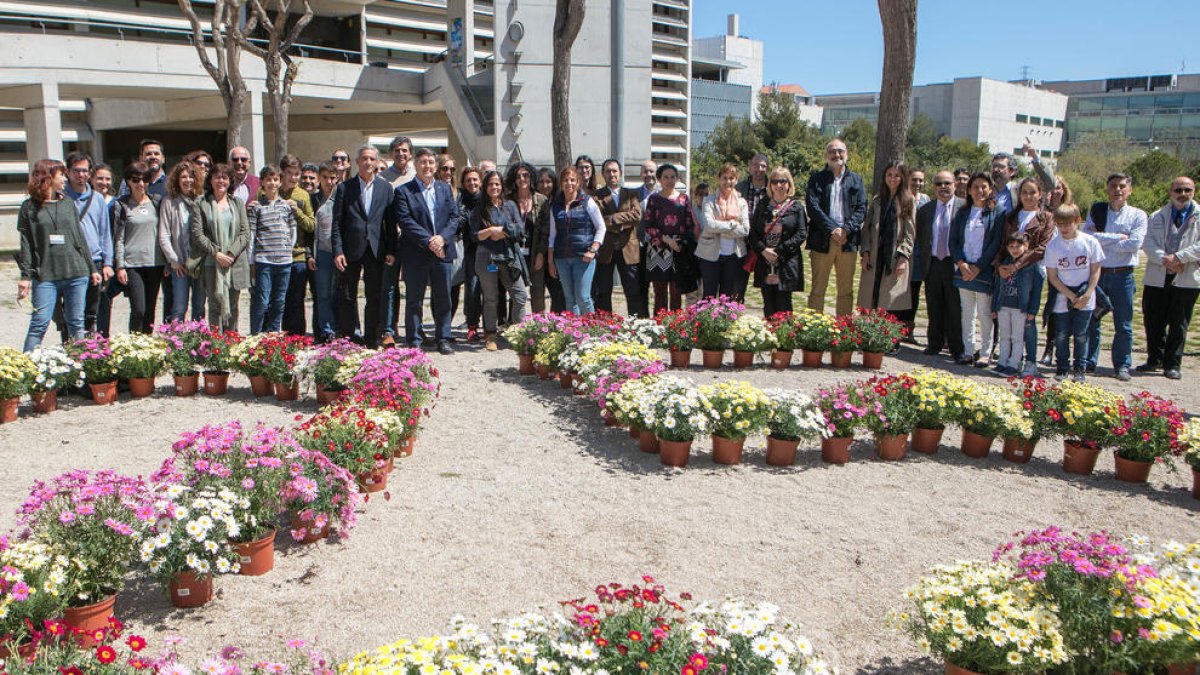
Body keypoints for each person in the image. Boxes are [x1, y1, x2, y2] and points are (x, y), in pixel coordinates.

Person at [17, 159, 99, 351]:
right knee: (39, 323)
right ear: (48, 177)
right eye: (61, 174)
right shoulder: (29, 207)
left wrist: (92, 268)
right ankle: (26, 371)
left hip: (76, 272)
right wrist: (25, 276)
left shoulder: (68, 204)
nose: (64, 178)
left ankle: (78, 371)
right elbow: (26, 244)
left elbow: (79, 238)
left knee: (76, 323)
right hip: (46, 275)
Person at [395, 148, 462, 353]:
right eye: (423, 162)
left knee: (443, 298)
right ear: (415, 165)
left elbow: (454, 217)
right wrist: (429, 241)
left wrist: (442, 238)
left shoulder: (444, 189)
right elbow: (405, 221)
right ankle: (414, 340)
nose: (428, 166)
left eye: (431, 162)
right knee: (414, 299)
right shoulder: (403, 191)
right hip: (416, 253)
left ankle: (443, 338)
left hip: (442, 251)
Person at [1082, 173, 1146, 381]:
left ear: (1130, 190)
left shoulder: (1138, 215)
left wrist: (1103, 239)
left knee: (1123, 323)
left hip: (1123, 274)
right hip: (1098, 273)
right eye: (1113, 186)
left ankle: (1121, 365)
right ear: (1107, 189)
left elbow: (1134, 244)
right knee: (1092, 318)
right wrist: (1118, 237)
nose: (1117, 190)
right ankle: (1089, 361)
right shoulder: (1097, 211)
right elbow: (1088, 238)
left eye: (1122, 186)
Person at [331, 145, 395, 345]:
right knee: (348, 296)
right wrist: (338, 251)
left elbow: (391, 222)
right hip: (351, 249)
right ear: (357, 162)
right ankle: (350, 339)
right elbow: (336, 223)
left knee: (374, 296)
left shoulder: (385, 188)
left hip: (376, 249)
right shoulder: (344, 188)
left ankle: (370, 339)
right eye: (364, 159)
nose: (368, 162)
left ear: (377, 162)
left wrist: (392, 250)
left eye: (372, 159)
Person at [1140, 176, 1200, 380]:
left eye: (1187, 190)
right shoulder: (1157, 216)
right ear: (1170, 192)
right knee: (1153, 320)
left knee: (1179, 322)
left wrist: (1180, 257)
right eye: (1178, 190)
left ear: (1193, 192)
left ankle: (1172, 364)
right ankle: (1154, 359)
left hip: (1187, 276)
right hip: (1158, 274)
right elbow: (1147, 243)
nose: (1183, 194)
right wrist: (1166, 260)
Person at [994, 177, 1055, 376]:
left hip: (1031, 270)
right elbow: (1003, 243)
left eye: (1032, 192)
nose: (1028, 196)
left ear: (1040, 194)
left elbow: (1042, 248)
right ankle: (1011, 360)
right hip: (1008, 269)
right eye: (1024, 192)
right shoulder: (1011, 216)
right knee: (1008, 318)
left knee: (1027, 317)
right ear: (1019, 195)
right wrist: (999, 266)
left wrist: (1016, 265)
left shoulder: (1046, 217)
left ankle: (1030, 361)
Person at [806, 139, 866, 316]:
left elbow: (862, 208)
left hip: (847, 242)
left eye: (840, 151)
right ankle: (814, 329)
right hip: (822, 240)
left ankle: (843, 330)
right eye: (832, 151)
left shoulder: (856, 180)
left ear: (846, 154)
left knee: (846, 291)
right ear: (826, 156)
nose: (836, 155)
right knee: (818, 289)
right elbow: (813, 207)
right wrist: (833, 229)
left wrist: (845, 229)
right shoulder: (816, 179)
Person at [949, 172, 1003, 367]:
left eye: (984, 187)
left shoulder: (997, 212)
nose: (980, 191)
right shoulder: (963, 213)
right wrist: (961, 264)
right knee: (967, 313)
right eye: (975, 187)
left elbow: (995, 242)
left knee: (984, 313)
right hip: (964, 269)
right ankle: (968, 351)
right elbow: (953, 240)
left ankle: (986, 352)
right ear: (969, 190)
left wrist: (979, 266)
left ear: (990, 189)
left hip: (984, 271)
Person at [1045, 203, 1104, 381]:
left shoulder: (1090, 242)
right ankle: (1062, 366)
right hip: (1063, 296)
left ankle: (1080, 368)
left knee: (1081, 334)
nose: (1063, 228)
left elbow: (1095, 270)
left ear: (1077, 221)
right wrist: (1070, 295)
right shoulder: (1054, 246)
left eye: (1067, 223)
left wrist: (1087, 293)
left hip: (1085, 296)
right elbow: (1053, 276)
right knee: (1062, 334)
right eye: (1059, 224)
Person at [470, 171, 528, 350]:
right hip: (487, 257)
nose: (494, 187)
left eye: (497, 184)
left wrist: (501, 231)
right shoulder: (479, 208)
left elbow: (520, 230)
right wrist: (490, 231)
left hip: (509, 257)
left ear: (502, 186)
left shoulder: (510, 206)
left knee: (520, 295)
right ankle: (491, 335)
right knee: (490, 298)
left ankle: (518, 333)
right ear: (485, 187)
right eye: (490, 184)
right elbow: (474, 235)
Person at [191, 163, 251, 332]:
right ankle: (215, 346)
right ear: (210, 180)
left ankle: (231, 343)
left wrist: (231, 254)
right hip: (211, 263)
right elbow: (198, 234)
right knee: (214, 305)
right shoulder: (201, 203)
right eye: (217, 177)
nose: (221, 181)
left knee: (233, 305)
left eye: (225, 178)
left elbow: (245, 233)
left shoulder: (237, 203)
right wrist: (216, 254)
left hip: (234, 262)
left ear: (230, 181)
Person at [857, 161, 916, 330]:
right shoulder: (877, 200)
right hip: (875, 255)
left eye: (897, 175)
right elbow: (867, 228)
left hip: (894, 256)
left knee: (890, 299)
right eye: (889, 175)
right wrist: (866, 251)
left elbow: (909, 233)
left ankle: (890, 338)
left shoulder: (908, 201)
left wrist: (903, 257)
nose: (893, 179)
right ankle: (871, 335)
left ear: (903, 178)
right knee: (871, 296)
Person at [62, 151, 113, 334]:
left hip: (94, 260)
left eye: (84, 171)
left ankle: (89, 353)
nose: (81, 175)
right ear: (67, 172)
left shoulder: (97, 199)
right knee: (70, 312)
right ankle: (70, 350)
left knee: (92, 312)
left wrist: (107, 262)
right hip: (69, 262)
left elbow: (104, 233)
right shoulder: (60, 198)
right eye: (76, 170)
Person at [915, 171, 965, 358]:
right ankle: (934, 343)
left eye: (947, 183)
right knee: (934, 305)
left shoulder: (964, 207)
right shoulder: (926, 210)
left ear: (955, 184)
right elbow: (921, 237)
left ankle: (956, 347)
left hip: (954, 263)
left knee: (954, 307)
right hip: (933, 263)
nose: (943, 187)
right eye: (938, 183)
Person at [747, 167, 806, 317]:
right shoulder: (762, 205)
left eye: (783, 181)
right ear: (770, 185)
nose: (779, 185)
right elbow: (753, 233)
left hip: (786, 261)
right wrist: (763, 250)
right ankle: (769, 337)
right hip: (765, 261)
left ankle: (785, 338)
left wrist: (778, 251)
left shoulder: (796, 207)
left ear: (789, 184)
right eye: (775, 181)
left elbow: (801, 234)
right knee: (768, 302)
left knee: (784, 304)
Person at [548, 166, 606, 315]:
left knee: (583, 297)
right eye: (566, 180)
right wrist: (550, 261)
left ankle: (592, 332)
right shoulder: (555, 206)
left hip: (584, 257)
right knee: (570, 299)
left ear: (578, 182)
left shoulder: (587, 202)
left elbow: (601, 227)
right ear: (561, 183)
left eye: (572, 180)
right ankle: (575, 333)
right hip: (562, 258)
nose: (569, 183)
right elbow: (552, 236)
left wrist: (593, 249)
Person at [247, 165, 296, 334]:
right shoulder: (256, 207)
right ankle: (255, 335)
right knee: (262, 300)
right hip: (264, 260)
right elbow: (252, 235)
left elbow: (292, 231)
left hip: (284, 261)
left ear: (280, 182)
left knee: (279, 300)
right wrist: (251, 261)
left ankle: (273, 335)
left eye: (275, 179)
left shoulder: (287, 206)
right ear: (262, 182)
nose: (272, 183)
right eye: (268, 179)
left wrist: (287, 249)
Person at [642, 164, 696, 315]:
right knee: (659, 292)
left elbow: (689, 224)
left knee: (677, 291)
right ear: (659, 179)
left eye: (673, 177)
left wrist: (680, 243)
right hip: (658, 249)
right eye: (665, 177)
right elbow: (648, 224)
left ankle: (676, 327)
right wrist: (665, 239)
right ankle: (659, 326)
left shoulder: (684, 199)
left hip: (678, 250)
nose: (669, 180)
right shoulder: (654, 199)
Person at [592, 159, 643, 316]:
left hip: (628, 248)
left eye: (614, 170)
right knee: (604, 291)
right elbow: (599, 219)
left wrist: (613, 219)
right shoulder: (596, 196)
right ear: (603, 174)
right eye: (608, 171)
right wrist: (621, 221)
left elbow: (637, 216)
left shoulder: (631, 193)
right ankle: (606, 325)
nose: (611, 174)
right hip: (606, 249)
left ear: (620, 173)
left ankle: (635, 324)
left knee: (633, 290)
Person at [990, 232, 1043, 376]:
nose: (1014, 249)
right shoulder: (1005, 263)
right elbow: (997, 286)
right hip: (1003, 305)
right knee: (1004, 335)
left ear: (1026, 246)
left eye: (1018, 246)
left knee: (1017, 337)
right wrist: (994, 306)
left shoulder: (1031, 266)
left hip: (1020, 307)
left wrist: (1033, 310)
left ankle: (1014, 364)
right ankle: (1002, 362)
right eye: (1011, 246)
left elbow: (1037, 289)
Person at [158, 161, 205, 322]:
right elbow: (164, 235)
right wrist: (174, 261)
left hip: (199, 263)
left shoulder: (202, 200)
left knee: (199, 306)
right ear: (176, 180)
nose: (187, 180)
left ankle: (199, 343)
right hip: (179, 264)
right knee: (179, 307)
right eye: (183, 177)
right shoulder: (169, 201)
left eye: (191, 176)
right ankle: (176, 344)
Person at [277, 154, 316, 336]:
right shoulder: (269, 191)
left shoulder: (303, 195)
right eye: (289, 173)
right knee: (278, 299)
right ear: (282, 173)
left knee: (296, 299)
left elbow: (311, 224)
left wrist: (297, 211)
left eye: (296, 174)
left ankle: (297, 337)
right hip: (274, 255)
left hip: (297, 255)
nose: (293, 178)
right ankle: (277, 335)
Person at [698, 164, 749, 299]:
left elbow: (745, 229)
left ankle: (725, 320)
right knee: (709, 296)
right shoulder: (709, 200)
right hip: (710, 254)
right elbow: (709, 226)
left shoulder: (742, 202)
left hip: (733, 255)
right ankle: (707, 320)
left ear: (736, 180)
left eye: (731, 178)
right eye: (724, 178)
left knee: (727, 296)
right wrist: (732, 224)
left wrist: (719, 227)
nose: (728, 182)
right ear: (719, 179)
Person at [896, 168, 929, 342]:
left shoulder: (926, 200)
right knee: (900, 290)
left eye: (921, 180)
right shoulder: (902, 199)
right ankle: (896, 328)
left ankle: (908, 329)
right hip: (903, 251)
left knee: (914, 292)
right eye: (914, 179)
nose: (917, 183)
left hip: (919, 253)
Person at [310, 161, 340, 342]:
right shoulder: (313, 199)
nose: (329, 181)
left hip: (338, 252)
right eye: (325, 178)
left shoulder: (341, 197)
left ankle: (339, 329)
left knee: (339, 293)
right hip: (321, 252)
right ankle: (326, 330)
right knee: (323, 295)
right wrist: (309, 254)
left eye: (332, 178)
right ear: (319, 178)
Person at [457, 167, 485, 338]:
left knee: (492, 289)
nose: (472, 183)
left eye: (475, 179)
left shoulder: (487, 200)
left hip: (489, 250)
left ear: (480, 181)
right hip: (470, 250)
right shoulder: (461, 201)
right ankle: (472, 324)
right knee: (473, 288)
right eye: (468, 180)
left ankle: (495, 324)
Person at [991, 142, 1055, 215]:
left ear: (1012, 171)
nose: (996, 170)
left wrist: (1035, 156)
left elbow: (1050, 184)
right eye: (994, 166)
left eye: (1000, 167)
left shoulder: (1020, 189)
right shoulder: (986, 190)